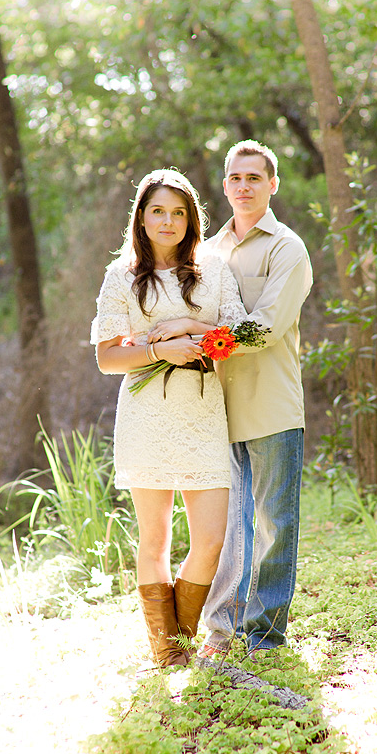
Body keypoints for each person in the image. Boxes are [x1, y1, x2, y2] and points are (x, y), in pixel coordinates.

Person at [90, 169, 247, 668]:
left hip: (202, 415)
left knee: (211, 540)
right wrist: (163, 348)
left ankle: (178, 640)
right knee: (154, 538)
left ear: (191, 219)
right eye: (157, 210)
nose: (168, 221)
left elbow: (236, 333)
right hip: (146, 417)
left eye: (179, 212)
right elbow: (108, 358)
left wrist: (188, 327)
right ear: (141, 216)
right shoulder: (120, 277)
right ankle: (170, 655)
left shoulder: (215, 270)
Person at [200, 139, 313, 660]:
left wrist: (198, 341)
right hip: (212, 410)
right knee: (226, 526)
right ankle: (221, 629)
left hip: (270, 406)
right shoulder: (208, 250)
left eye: (254, 178)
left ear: (273, 184)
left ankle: (265, 637)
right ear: (225, 186)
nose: (244, 187)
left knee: (273, 523)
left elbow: (266, 326)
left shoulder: (287, 248)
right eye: (235, 179)